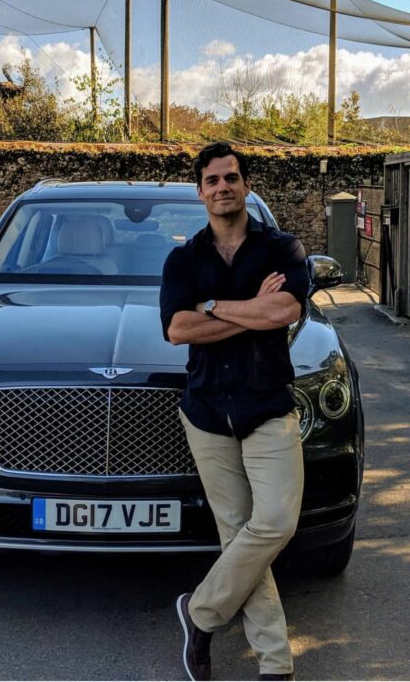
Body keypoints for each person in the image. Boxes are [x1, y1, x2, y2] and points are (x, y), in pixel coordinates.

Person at [159, 142, 310, 681]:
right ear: (200, 191)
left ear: (245, 185)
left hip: (267, 406)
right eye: (213, 180)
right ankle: (276, 666)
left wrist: (213, 307)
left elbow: (287, 310)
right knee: (238, 534)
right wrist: (252, 311)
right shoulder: (183, 259)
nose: (223, 187)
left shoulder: (283, 250)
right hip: (206, 413)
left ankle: (199, 614)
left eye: (232, 177)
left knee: (274, 523)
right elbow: (178, 329)